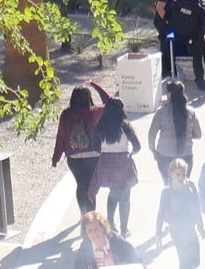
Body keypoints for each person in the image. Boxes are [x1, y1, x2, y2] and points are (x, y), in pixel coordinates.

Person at [52, 84, 108, 215]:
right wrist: (95, 85)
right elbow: (110, 102)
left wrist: (56, 157)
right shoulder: (94, 112)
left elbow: (60, 136)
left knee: (81, 185)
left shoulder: (66, 114)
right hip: (93, 155)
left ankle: (83, 214)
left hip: (74, 157)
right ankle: (91, 214)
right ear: (88, 97)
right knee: (91, 186)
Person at [93, 93, 143, 235]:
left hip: (107, 162)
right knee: (125, 196)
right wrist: (130, 154)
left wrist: (103, 152)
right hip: (123, 162)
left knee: (113, 192)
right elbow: (137, 146)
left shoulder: (101, 126)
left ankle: (110, 221)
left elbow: (94, 145)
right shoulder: (125, 126)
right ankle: (124, 228)